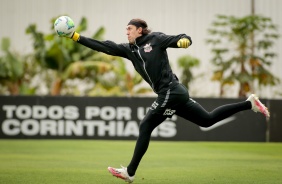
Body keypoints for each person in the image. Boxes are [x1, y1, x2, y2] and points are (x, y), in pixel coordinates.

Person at [63, 18, 270, 183]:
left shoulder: (156, 39)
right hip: (174, 94)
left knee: (146, 125)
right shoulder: (129, 50)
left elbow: (181, 37)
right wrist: (75, 36)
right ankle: (249, 103)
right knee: (206, 121)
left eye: (129, 29)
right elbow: (102, 46)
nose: (126, 32)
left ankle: (130, 172)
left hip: (172, 91)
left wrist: (184, 41)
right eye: (125, 30)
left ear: (140, 30)